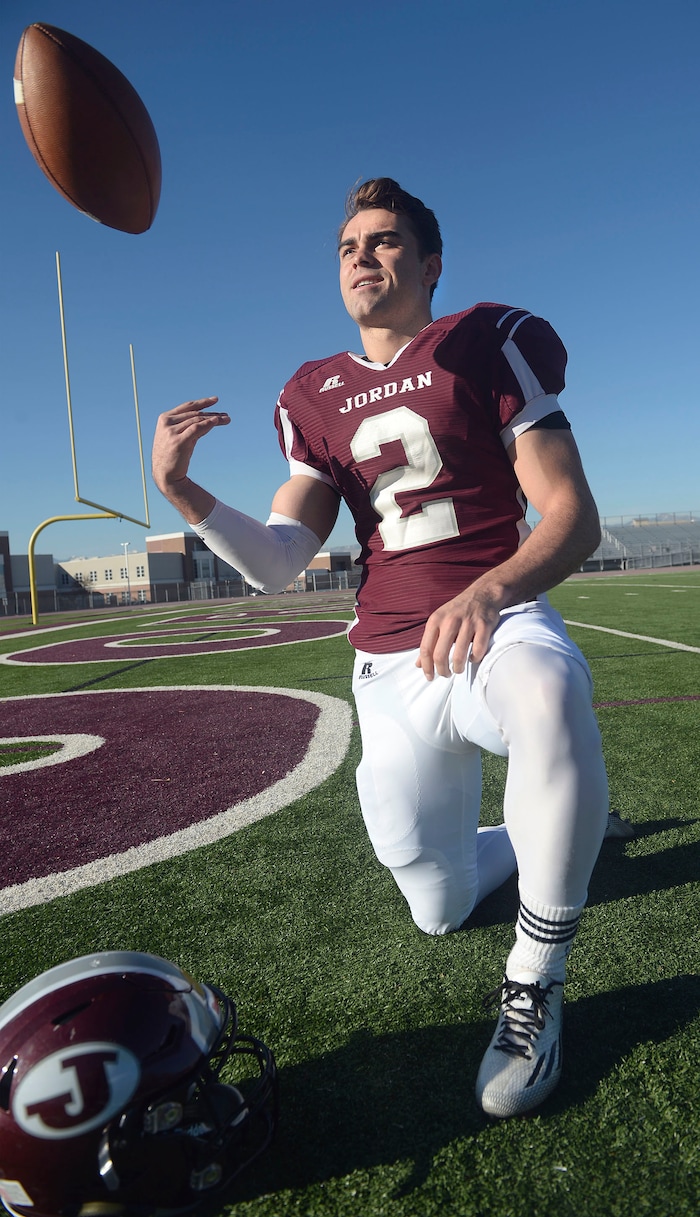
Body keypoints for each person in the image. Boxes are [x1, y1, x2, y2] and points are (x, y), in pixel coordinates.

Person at [152, 178, 609, 1119]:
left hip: (494, 623)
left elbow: (571, 515)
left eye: (386, 240)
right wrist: (187, 497)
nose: (361, 255)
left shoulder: (486, 341)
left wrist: (492, 589)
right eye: (348, 244)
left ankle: (536, 984)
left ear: (430, 263)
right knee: (437, 905)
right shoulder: (312, 393)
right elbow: (282, 563)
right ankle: (541, 834)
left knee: (552, 695)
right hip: (390, 663)